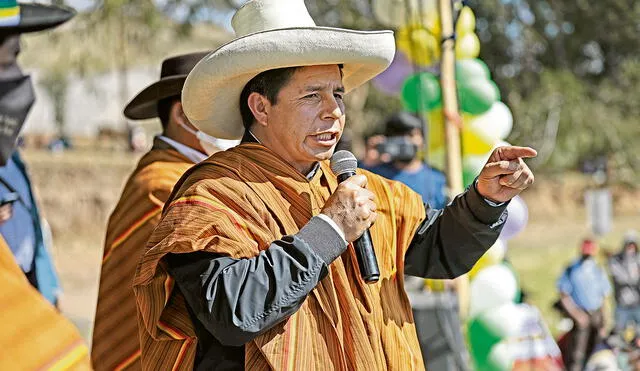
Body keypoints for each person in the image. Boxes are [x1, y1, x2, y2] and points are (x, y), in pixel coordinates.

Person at [132, 0, 536, 369]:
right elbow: (233, 312)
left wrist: (485, 199)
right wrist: (330, 230)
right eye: (312, 96)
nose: (333, 112)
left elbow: (436, 251)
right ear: (261, 107)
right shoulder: (213, 195)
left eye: (338, 94)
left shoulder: (360, 188)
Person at [91, 52, 239, 371]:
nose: (230, 123)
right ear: (183, 116)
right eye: (219, 110)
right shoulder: (161, 186)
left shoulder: (188, 177)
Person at [0, 1, 91, 369]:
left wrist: (47, 289)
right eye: (8, 60)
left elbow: (35, 232)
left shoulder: (13, 159)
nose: (20, 77)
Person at [364, 112, 447, 208]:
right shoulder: (373, 175)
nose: (404, 141)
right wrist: (366, 163)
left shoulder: (436, 178)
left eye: (411, 135)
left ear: (422, 140)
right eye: (398, 136)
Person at [557, 239, 612, 371]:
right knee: (577, 354)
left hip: (596, 315)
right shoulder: (571, 269)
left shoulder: (597, 269)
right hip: (580, 315)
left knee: (595, 350)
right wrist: (577, 315)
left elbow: (604, 296)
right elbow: (564, 294)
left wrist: (604, 320)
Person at [608, 230, 640, 334]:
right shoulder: (616, 260)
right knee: (619, 334)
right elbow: (621, 278)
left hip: (637, 305)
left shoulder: (638, 259)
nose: (630, 248)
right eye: (628, 245)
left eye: (633, 245)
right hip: (622, 306)